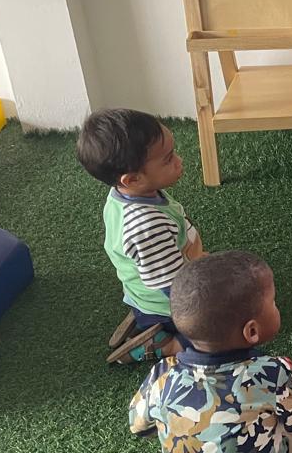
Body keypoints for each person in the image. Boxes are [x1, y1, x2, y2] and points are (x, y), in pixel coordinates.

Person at [129, 251, 292, 453]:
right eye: (273, 302)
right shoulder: (272, 372)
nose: (277, 307)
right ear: (251, 332)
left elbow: (138, 427)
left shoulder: (162, 374)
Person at [77, 108, 202, 363]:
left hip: (150, 286)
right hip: (167, 305)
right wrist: (205, 309)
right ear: (132, 179)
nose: (179, 161)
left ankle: (142, 314)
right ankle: (161, 343)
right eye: (168, 159)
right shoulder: (146, 226)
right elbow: (175, 288)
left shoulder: (126, 194)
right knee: (221, 334)